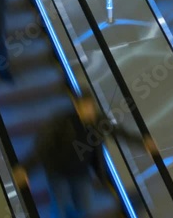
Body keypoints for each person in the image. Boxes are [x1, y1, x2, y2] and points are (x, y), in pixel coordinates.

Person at [13, 88, 156, 218]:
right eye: (85, 107)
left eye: (91, 107)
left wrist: (142, 143)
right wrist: (26, 168)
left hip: (81, 173)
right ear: (77, 107)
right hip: (58, 172)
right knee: (61, 209)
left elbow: (118, 132)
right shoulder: (63, 122)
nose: (89, 111)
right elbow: (43, 146)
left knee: (84, 208)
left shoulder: (98, 122)